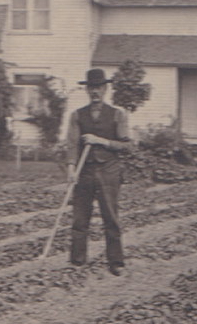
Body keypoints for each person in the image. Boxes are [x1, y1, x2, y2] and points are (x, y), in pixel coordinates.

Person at [65, 68, 133, 275]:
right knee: (80, 218)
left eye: (99, 87)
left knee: (110, 217)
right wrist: (71, 168)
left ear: (105, 89)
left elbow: (126, 145)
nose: (95, 91)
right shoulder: (77, 115)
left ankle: (116, 262)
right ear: (87, 90)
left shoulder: (117, 115)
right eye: (92, 88)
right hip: (84, 171)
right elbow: (72, 144)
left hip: (109, 171)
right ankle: (77, 261)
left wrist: (100, 141)